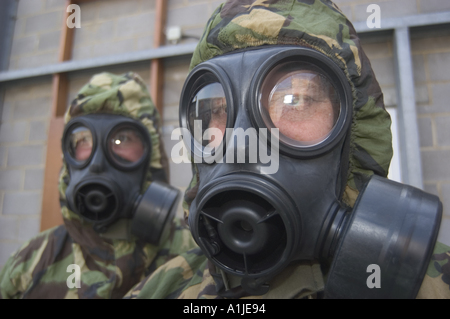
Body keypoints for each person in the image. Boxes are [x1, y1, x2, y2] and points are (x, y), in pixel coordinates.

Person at [126, 0, 450, 299]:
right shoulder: (165, 289)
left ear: (354, 131)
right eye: (219, 109)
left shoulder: (432, 285)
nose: (241, 145)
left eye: (296, 101)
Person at [0, 72, 197, 299]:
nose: (97, 164)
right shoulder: (28, 265)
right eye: (84, 140)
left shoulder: (196, 253)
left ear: (151, 157)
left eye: (121, 139)